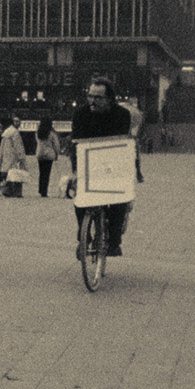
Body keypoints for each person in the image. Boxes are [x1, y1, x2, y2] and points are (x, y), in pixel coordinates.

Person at [70, 77, 131, 257]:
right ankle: (84, 235)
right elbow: (76, 144)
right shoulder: (81, 114)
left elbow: (122, 144)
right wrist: (75, 171)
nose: (93, 101)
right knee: (79, 196)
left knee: (120, 198)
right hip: (88, 162)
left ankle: (113, 241)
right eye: (90, 96)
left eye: (98, 97)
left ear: (110, 99)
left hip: (113, 162)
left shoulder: (122, 115)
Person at [0, 116, 28, 198]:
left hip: (6, 156)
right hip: (14, 156)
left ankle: (7, 190)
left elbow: (1, 147)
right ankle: (17, 192)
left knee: (8, 174)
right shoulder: (15, 132)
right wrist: (21, 158)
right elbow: (18, 147)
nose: (17, 123)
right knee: (17, 174)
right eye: (16, 122)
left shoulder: (6, 132)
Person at [121, 99, 145, 183]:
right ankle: (138, 173)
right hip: (131, 138)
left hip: (124, 138)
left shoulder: (121, 112)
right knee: (135, 155)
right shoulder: (135, 113)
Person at [35, 117, 60, 198]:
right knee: (47, 173)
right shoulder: (51, 134)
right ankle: (44, 192)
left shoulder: (38, 133)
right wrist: (57, 154)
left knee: (41, 172)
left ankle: (40, 189)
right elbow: (56, 145)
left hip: (40, 153)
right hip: (49, 154)